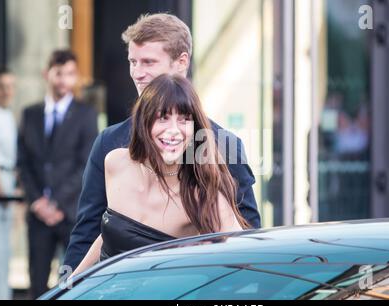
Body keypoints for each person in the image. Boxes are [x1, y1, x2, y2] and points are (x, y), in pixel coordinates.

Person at [64, 13, 261, 272]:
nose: (137, 73)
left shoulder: (221, 144)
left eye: (148, 62)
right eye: (132, 62)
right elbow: (89, 231)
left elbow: (247, 236)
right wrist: (65, 286)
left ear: (181, 62)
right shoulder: (110, 143)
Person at [71, 74, 250, 276]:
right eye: (163, 118)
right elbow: (111, 232)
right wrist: (71, 283)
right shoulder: (115, 163)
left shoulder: (203, 196)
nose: (174, 130)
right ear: (143, 122)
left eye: (184, 119)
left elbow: (245, 264)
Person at [17, 50, 98, 299]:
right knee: (37, 282)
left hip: (71, 213)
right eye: (59, 73)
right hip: (38, 215)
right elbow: (24, 163)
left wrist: (57, 204)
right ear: (47, 74)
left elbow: (85, 164)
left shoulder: (86, 114)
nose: (64, 80)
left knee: (73, 282)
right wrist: (38, 203)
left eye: (70, 74)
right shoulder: (30, 114)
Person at [0, 68, 17, 300]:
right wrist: (3, 193)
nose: (7, 91)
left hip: (7, 182)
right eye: (2, 86)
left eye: (11, 86)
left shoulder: (8, 115)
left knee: (4, 251)